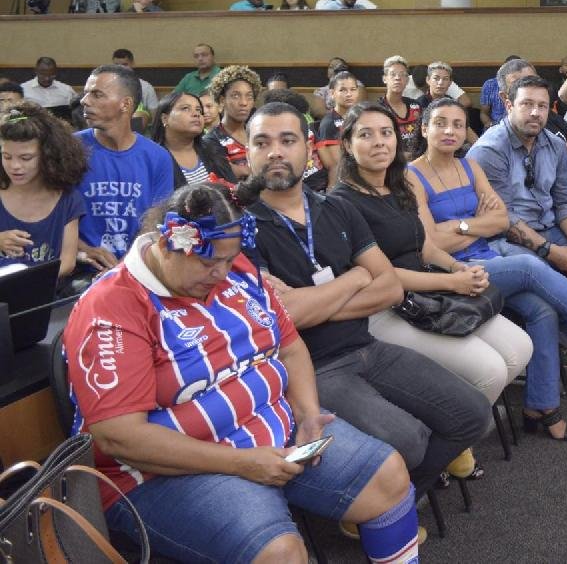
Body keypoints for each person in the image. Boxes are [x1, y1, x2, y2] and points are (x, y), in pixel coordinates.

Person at [64, 182, 423, 564]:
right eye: (207, 263)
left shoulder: (235, 268)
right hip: (163, 473)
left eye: (228, 258)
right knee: (280, 554)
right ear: (169, 243)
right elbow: (121, 438)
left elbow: (290, 347)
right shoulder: (112, 307)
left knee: (389, 476)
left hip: (273, 434)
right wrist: (242, 464)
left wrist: (308, 414)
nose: (221, 273)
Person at [244, 102, 492, 489]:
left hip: (367, 345)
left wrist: (313, 302)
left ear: (308, 150)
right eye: (262, 142)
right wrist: (356, 278)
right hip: (313, 367)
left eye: (287, 140)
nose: (275, 151)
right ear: (247, 152)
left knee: (474, 414)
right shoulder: (239, 229)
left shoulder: (334, 209)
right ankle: (384, 504)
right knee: (408, 439)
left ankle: (398, 497)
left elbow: (390, 287)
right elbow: (283, 317)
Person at [411, 97, 567, 439]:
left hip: (491, 254)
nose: (450, 131)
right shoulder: (412, 177)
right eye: (440, 123)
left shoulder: (469, 168)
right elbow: (430, 244)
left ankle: (540, 408)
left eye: (457, 124)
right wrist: (476, 222)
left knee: (543, 311)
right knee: (530, 264)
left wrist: (461, 226)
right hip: (454, 272)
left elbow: (500, 219)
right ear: (424, 129)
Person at [328, 103, 531, 469]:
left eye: (386, 133)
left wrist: (459, 269)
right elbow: (383, 274)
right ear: (346, 144)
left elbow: (424, 244)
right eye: (365, 134)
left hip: (431, 291)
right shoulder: (341, 203)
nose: (378, 143)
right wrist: (451, 280)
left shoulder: (400, 184)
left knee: (519, 347)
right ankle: (443, 447)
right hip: (385, 308)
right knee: (490, 370)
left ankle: (452, 428)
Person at [467, 75, 567, 312]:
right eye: (527, 104)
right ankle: (564, 336)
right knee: (550, 288)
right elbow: (504, 219)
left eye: (542, 106)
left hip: (551, 227)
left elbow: (566, 200)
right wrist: (552, 252)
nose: (535, 112)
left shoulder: (555, 146)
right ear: (509, 105)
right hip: (506, 238)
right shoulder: (489, 150)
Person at [76, 65, 174, 268]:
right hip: (81, 267)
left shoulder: (158, 157)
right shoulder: (68, 149)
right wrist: (83, 250)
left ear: (125, 104)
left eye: (97, 94)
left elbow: (156, 221)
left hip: (137, 265)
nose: (84, 101)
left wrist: (127, 264)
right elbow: (50, 216)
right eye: (86, 94)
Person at [0, 103, 87, 279]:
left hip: (44, 296)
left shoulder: (68, 199)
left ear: (48, 156)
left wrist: (26, 283)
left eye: (26, 158)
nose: (15, 166)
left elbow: (67, 263)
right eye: (7, 157)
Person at [201, 65, 263, 182]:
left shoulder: (258, 133)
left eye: (249, 96)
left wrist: (243, 170)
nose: (244, 102)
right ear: (222, 100)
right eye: (236, 96)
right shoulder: (211, 140)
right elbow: (229, 179)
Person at [150, 91, 223, 186]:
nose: (196, 114)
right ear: (164, 118)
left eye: (199, 110)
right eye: (185, 108)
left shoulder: (212, 150)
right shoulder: (152, 158)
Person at [315, 71, 362, 189]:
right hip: (345, 182)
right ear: (332, 93)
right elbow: (337, 164)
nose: (349, 94)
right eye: (343, 90)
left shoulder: (362, 116)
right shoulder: (329, 123)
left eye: (353, 89)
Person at [380, 56, 426, 160]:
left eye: (402, 75)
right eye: (393, 74)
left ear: (407, 80)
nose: (397, 78)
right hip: (390, 162)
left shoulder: (416, 106)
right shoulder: (378, 109)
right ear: (384, 79)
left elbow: (423, 136)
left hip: (418, 161)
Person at [110, 49, 159, 115]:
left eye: (125, 65)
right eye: (116, 65)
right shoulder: (106, 87)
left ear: (132, 64)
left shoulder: (146, 87)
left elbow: (155, 115)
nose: (120, 68)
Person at [479, 56, 520, 131]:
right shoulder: (490, 84)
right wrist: (490, 125)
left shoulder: (526, 87)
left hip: (519, 127)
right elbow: (483, 113)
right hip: (495, 126)